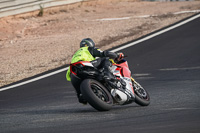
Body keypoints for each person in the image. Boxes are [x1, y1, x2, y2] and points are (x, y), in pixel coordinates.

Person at [66, 38, 124, 104]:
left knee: (80, 93)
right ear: (91, 44)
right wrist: (116, 55)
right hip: (84, 65)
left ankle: (81, 96)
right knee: (105, 59)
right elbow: (103, 53)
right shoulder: (88, 49)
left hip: (73, 74)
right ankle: (109, 76)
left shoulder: (75, 54)